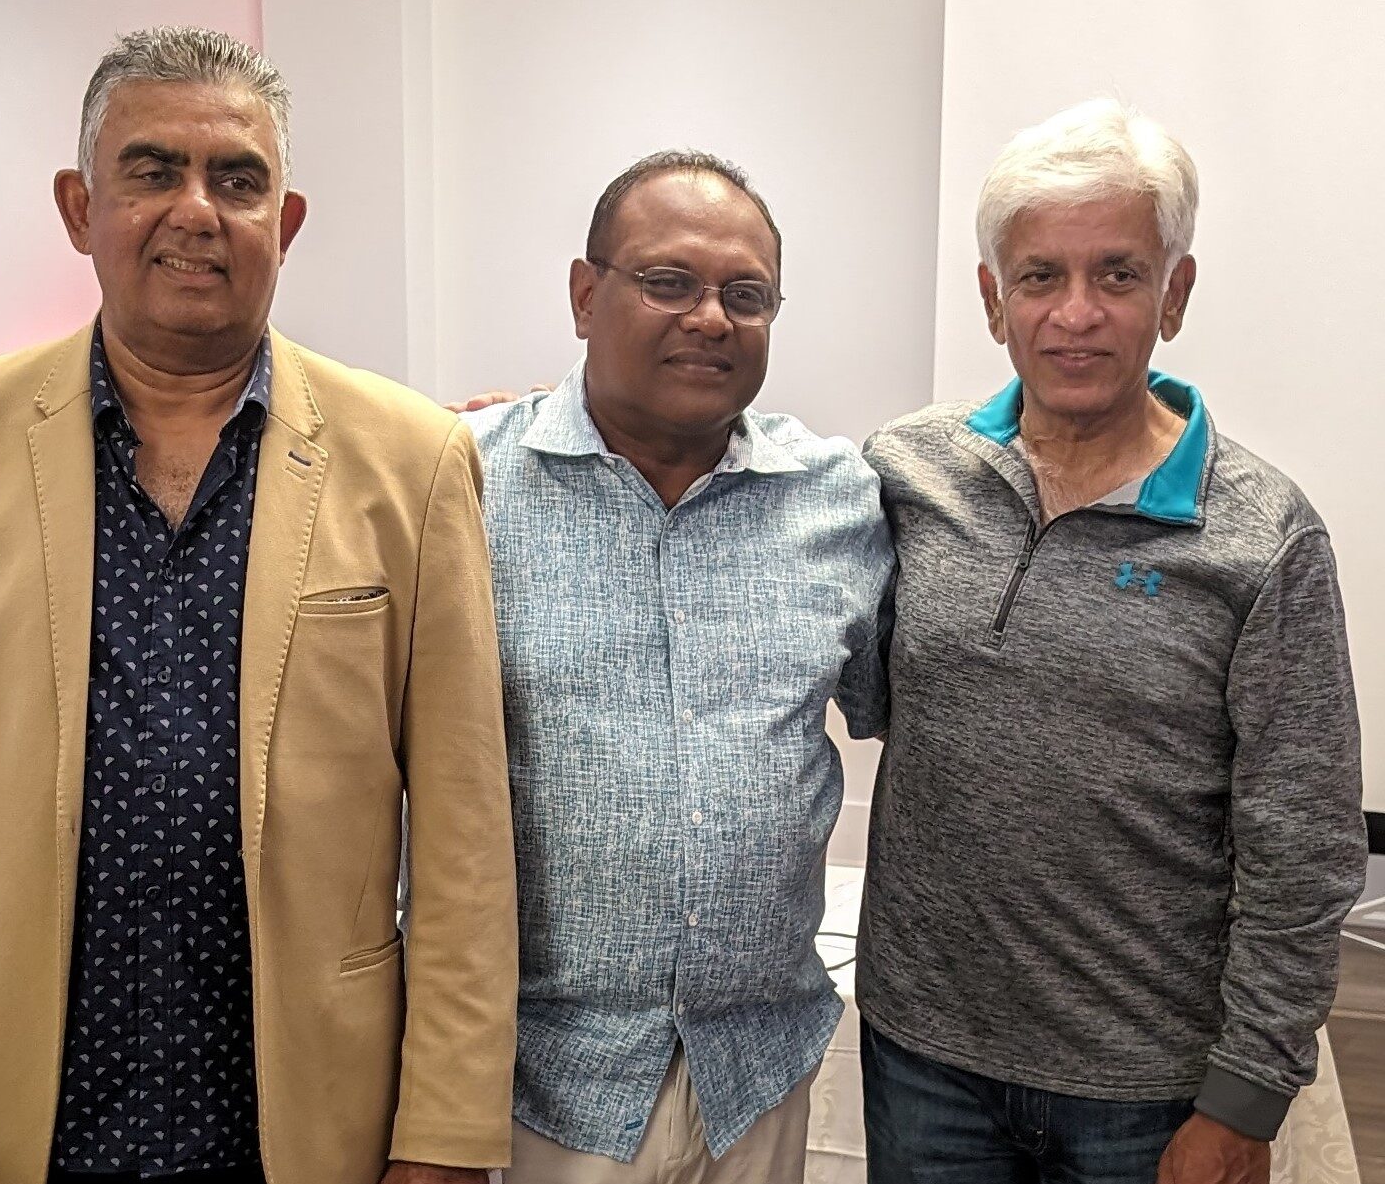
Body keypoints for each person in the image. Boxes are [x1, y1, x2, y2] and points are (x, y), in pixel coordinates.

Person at [0, 26, 516, 1184]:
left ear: (284, 223)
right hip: (26, 1112)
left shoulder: (415, 460)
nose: (197, 210)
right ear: (79, 205)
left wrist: (442, 1141)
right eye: (152, 170)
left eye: (238, 180)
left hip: (304, 1118)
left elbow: (462, 843)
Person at [858, 99, 1366, 1184]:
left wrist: (1244, 1098)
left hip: (1149, 1089)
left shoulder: (1262, 535)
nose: (1076, 314)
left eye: (1118, 275)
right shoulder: (909, 474)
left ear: (1173, 293)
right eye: (1041, 276)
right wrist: (560, 429)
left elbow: (1306, 846)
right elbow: (754, 498)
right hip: (923, 1058)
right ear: (994, 299)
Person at [452, 152, 891, 1184]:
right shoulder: (459, 483)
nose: (710, 317)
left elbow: (896, 704)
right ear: (583, 294)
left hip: (759, 1069)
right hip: (537, 1080)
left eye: (747, 295)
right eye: (667, 281)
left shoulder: (841, 502)